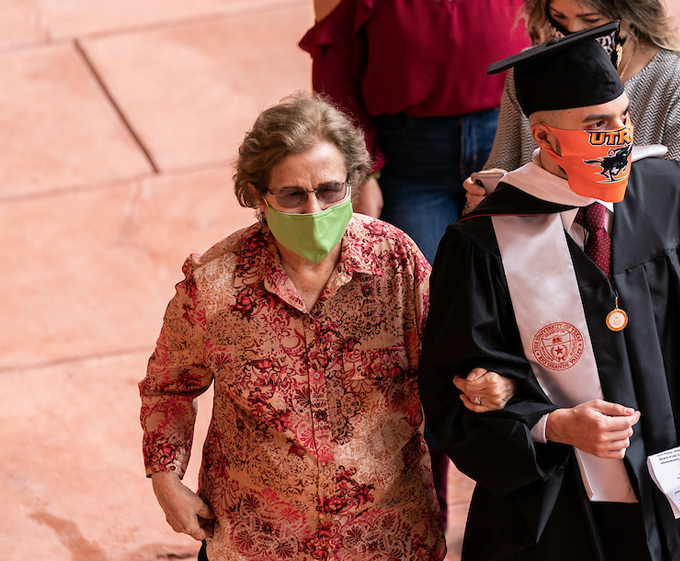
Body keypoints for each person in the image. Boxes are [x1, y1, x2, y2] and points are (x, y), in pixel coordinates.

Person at [418, 24, 680, 561]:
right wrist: (549, 425)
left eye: (624, 117)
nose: (619, 138)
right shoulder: (486, 242)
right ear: (543, 138)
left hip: (672, 483)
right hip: (560, 510)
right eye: (596, 125)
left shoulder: (670, 192)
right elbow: (457, 387)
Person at [139, 93, 510, 561]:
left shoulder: (396, 262)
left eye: (330, 190)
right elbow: (169, 386)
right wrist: (166, 480)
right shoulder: (214, 285)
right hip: (257, 541)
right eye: (293, 195)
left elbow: (452, 357)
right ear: (258, 195)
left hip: (387, 536)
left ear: (353, 182)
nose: (315, 209)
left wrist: (488, 380)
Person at [299, 0, 536, 263]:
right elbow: (335, 68)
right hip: (408, 163)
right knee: (427, 294)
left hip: (510, 139)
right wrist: (361, 170)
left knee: (514, 285)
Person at [464, 0, 680, 211]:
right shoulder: (532, 73)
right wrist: (484, 197)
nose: (573, 33)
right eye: (558, 18)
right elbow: (503, 167)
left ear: (631, 15)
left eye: (592, 21)